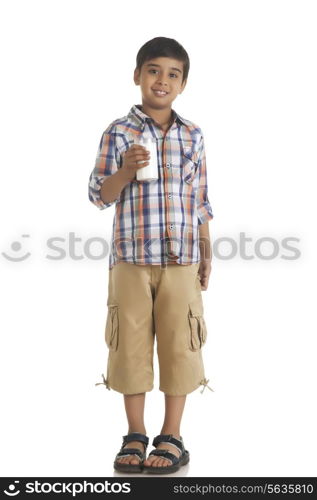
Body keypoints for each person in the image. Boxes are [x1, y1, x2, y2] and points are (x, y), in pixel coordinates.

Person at [89, 36, 214, 474]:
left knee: (181, 343)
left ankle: (172, 436)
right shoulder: (118, 132)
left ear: (183, 83)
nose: (162, 80)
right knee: (130, 344)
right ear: (137, 75)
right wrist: (125, 170)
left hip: (181, 259)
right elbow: (99, 195)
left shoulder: (192, 135)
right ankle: (135, 435)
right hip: (130, 258)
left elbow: (199, 198)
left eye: (173, 74)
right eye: (154, 70)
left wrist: (206, 250)